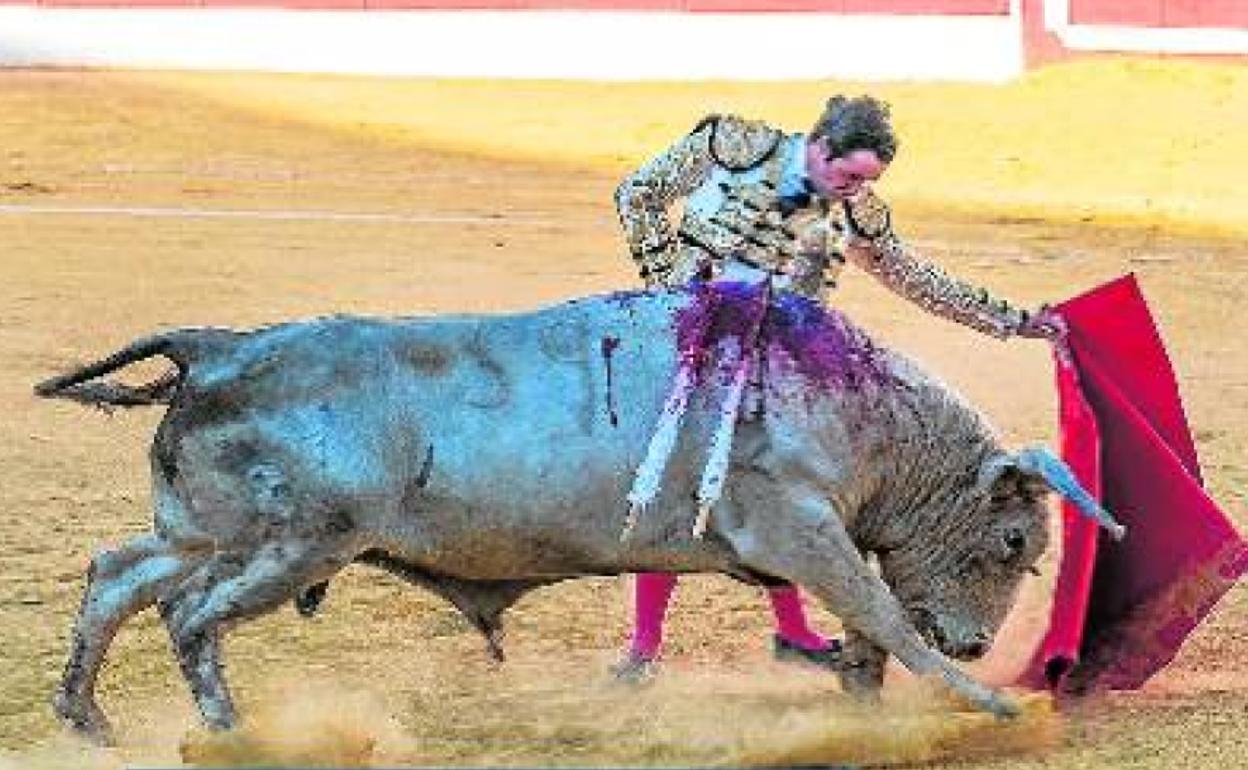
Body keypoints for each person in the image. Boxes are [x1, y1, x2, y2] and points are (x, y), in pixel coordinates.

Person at [611, 95, 1062, 680]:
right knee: (680, 487)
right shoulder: (736, 147)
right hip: (691, 344)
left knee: (788, 492)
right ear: (820, 147)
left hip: (780, 364)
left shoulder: (856, 213)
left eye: (866, 182)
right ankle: (645, 646)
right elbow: (637, 195)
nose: (852, 191)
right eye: (849, 175)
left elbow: (918, 280)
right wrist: (669, 286)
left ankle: (793, 631)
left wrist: (1015, 321)